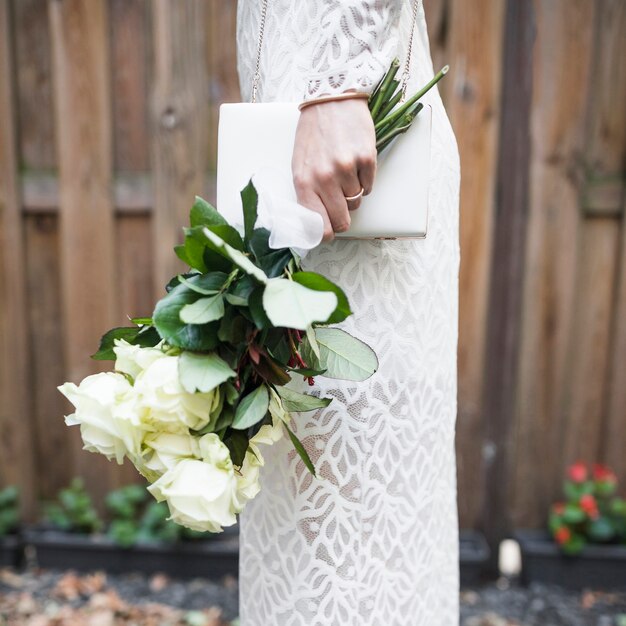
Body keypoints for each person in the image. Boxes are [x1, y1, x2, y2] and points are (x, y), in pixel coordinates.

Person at [235, 0, 461, 624]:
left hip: (342, 143)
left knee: (360, 525)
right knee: (303, 523)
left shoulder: (334, 94)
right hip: (293, 127)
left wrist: (338, 83)